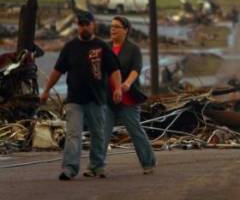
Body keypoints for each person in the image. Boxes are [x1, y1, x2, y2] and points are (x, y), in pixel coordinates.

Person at [40, 11, 122, 180]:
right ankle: (70, 168)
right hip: (74, 100)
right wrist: (46, 90)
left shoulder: (101, 46)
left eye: (87, 24)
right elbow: (57, 71)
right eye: (81, 24)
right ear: (77, 26)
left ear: (93, 25)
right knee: (73, 134)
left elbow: (114, 69)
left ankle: (97, 166)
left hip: (97, 99)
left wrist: (118, 89)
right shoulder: (70, 47)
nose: (84, 27)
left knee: (98, 134)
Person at [103, 16, 156, 175]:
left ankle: (148, 162)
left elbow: (136, 69)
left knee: (135, 130)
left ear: (126, 30)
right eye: (111, 26)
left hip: (128, 98)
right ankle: (96, 165)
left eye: (117, 27)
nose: (113, 30)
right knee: (103, 131)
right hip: (108, 98)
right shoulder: (105, 47)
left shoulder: (133, 49)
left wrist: (126, 84)